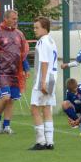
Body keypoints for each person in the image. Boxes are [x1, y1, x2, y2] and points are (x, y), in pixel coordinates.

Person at [29, 17, 58, 150]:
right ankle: (50, 142)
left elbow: (44, 62)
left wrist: (42, 82)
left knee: (34, 108)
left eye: (37, 27)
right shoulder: (52, 41)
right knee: (47, 109)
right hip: (53, 79)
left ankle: (41, 141)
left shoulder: (42, 41)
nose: (34, 30)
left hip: (44, 80)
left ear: (45, 28)